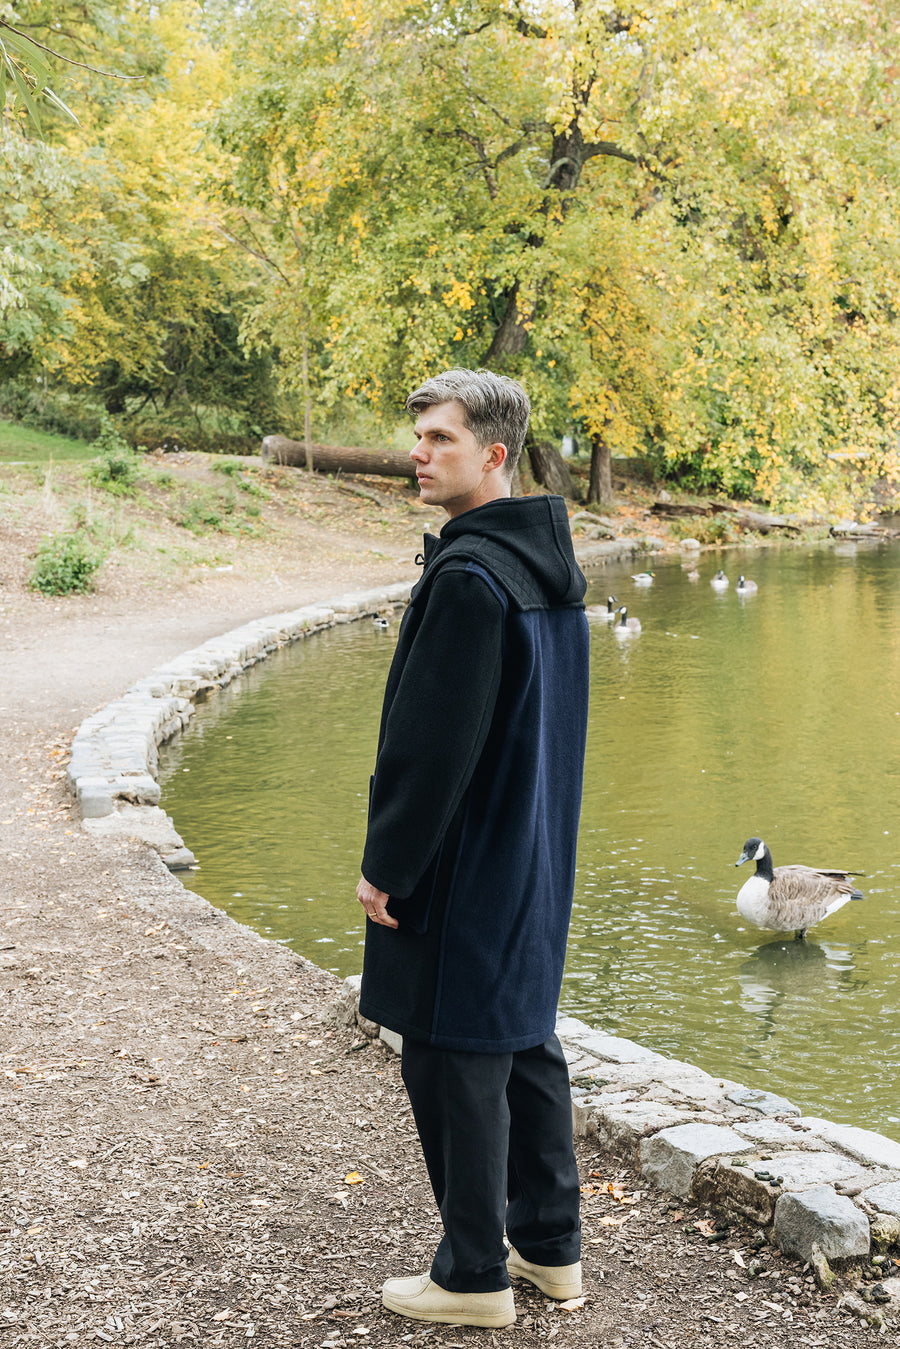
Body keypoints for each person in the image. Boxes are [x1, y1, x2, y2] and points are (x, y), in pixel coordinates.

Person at [356, 368, 590, 1329]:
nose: (417, 454)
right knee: (523, 1042)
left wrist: (388, 865)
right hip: (532, 849)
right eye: (418, 436)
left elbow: (431, 746)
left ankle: (472, 1276)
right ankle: (551, 1248)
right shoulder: (547, 569)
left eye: (440, 439)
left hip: (465, 861)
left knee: (451, 1055)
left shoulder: (469, 578)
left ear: (493, 455)